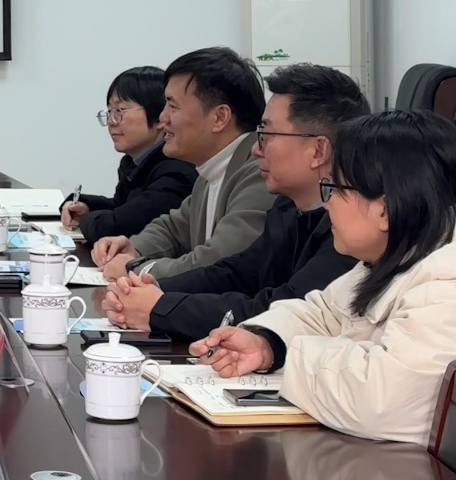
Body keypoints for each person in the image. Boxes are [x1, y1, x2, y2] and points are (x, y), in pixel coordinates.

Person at [191, 110, 456, 447]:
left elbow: (382, 401)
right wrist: (266, 344)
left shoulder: (446, 279)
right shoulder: (391, 258)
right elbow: (322, 313)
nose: (326, 204)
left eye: (334, 189)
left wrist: (292, 356)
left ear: (385, 210)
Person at [104, 63, 368, 337]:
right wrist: (151, 290)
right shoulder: (288, 208)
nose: (255, 149)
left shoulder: (353, 227)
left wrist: (160, 307)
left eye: (266, 135)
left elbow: (283, 310)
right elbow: (237, 272)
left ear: (318, 150)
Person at [92, 47, 273, 281]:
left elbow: (216, 262)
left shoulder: (259, 171)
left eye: (173, 106)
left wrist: (135, 268)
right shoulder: (210, 171)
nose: (163, 117)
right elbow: (173, 228)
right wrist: (133, 247)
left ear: (219, 117)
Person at [61, 66, 197, 245]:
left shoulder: (177, 171)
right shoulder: (133, 162)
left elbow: (117, 227)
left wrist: (85, 219)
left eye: (120, 111)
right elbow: (122, 207)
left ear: (160, 117)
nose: (111, 122)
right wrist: (84, 204)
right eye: (110, 112)